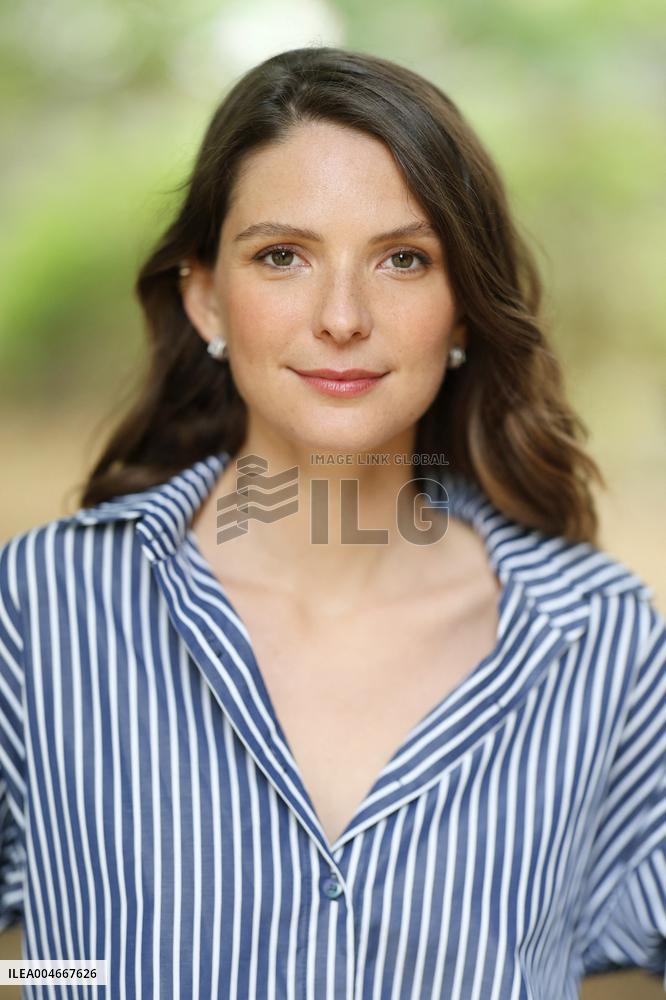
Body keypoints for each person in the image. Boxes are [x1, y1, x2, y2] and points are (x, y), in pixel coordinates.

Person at [0, 44, 664, 1000]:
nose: (343, 316)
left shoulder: (599, 637)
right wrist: (83, 972)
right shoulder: (40, 606)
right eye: (283, 256)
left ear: (464, 309)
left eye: (403, 258)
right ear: (204, 295)